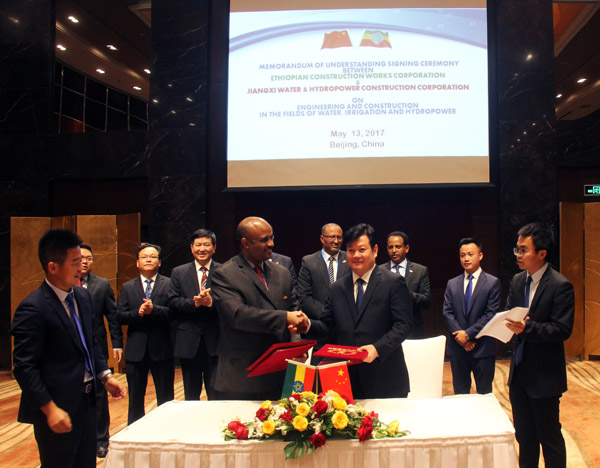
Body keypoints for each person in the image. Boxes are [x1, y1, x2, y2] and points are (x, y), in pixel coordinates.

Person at [11, 229, 126, 468]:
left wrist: (105, 376)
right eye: (75, 262)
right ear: (53, 267)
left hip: (87, 402)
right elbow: (24, 367)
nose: (81, 267)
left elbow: (90, 341)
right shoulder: (33, 308)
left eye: (83, 260)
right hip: (56, 406)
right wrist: (49, 408)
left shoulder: (82, 297)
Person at [303, 223, 413, 398]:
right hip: (346, 378)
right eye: (351, 250)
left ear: (375, 250)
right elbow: (327, 327)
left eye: (362, 250)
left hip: (384, 376)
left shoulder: (393, 282)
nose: (356, 255)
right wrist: (307, 325)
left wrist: (376, 349)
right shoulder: (337, 288)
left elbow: (403, 325)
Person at [210, 216, 305, 400]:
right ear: (245, 243)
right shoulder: (225, 274)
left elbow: (294, 309)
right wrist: (284, 317)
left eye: (272, 238)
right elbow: (238, 315)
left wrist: (296, 347)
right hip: (243, 377)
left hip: (280, 376)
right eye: (264, 240)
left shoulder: (282, 273)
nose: (271, 244)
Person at [505, 222, 574, 468]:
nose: (518, 255)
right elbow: (510, 313)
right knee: (525, 438)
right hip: (519, 373)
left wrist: (528, 328)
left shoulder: (560, 285)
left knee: (550, 438)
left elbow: (562, 330)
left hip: (544, 376)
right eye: (517, 249)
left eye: (524, 250)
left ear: (542, 253)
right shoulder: (517, 281)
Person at [117, 243, 174, 424]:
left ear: (159, 262)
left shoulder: (169, 284)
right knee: (135, 399)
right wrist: (139, 313)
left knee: (166, 397)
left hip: (162, 348)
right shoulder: (128, 287)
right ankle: (134, 432)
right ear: (137, 263)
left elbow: (175, 313)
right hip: (136, 351)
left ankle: (166, 430)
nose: (148, 260)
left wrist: (154, 310)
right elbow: (120, 316)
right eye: (144, 257)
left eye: (152, 257)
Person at [79, 242, 123, 458]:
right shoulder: (65, 286)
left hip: (96, 350)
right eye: (80, 258)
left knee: (99, 395)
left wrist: (117, 343)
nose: (84, 262)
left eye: (88, 258)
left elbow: (112, 317)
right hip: (72, 352)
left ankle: (101, 440)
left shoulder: (102, 284)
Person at [442, 237, 501, 395]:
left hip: (482, 348)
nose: (466, 259)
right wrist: (461, 337)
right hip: (458, 349)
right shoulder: (452, 283)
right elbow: (447, 312)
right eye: (462, 255)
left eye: (470, 254)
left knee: (484, 394)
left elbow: (490, 314)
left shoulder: (492, 282)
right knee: (460, 395)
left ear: (480, 255)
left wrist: (468, 335)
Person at [168, 229, 220, 400]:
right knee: (190, 395)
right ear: (191, 248)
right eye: (198, 245)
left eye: (206, 245)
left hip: (216, 342)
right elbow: (172, 302)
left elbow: (231, 302)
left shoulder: (224, 271)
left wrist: (211, 303)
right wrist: (194, 303)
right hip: (188, 342)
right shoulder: (179, 272)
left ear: (214, 247)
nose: (202, 249)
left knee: (216, 394)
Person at [297, 223, 349, 360]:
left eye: (339, 237)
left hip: (345, 332)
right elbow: (304, 297)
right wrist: (329, 315)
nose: (336, 241)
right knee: (319, 372)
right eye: (332, 237)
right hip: (320, 330)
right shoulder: (309, 262)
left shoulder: (350, 259)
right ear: (322, 239)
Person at [380, 231, 431, 338]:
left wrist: (406, 293)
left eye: (398, 247)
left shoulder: (420, 270)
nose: (394, 250)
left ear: (406, 248)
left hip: (412, 330)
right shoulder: (379, 271)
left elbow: (426, 301)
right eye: (390, 247)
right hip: (385, 330)